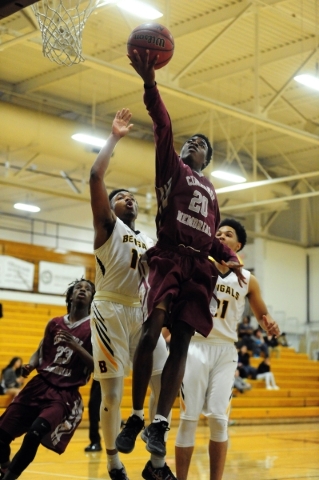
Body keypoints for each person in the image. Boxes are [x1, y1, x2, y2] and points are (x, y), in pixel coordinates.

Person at [116, 51, 245, 474]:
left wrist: (231, 258)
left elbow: (211, 237)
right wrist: (151, 83)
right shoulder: (172, 167)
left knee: (184, 343)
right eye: (193, 141)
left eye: (203, 146)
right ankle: (135, 413)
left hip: (198, 267)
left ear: (208, 160)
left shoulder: (210, 191)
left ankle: (157, 421)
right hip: (168, 258)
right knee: (153, 330)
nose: (195, 144)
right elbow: (163, 125)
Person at [89, 108, 170, 480]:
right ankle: (112, 462)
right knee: (112, 396)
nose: (128, 199)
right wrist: (114, 138)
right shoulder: (107, 226)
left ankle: (155, 463)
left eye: (132, 197)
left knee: (164, 378)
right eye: (121, 196)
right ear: (112, 205)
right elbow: (95, 176)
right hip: (109, 310)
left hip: (141, 314)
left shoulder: (149, 241)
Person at [174, 218, 280, 480]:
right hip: (196, 346)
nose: (221, 236)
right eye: (217, 233)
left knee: (219, 420)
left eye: (228, 234)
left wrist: (270, 324)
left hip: (225, 351)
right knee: (188, 419)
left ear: (239, 244)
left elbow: (262, 315)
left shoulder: (247, 280)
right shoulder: (196, 265)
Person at [0, 279, 95, 480]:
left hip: (63, 394)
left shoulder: (95, 329)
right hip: (39, 385)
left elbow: (97, 366)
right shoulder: (54, 323)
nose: (83, 290)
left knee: (34, 434)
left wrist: (76, 347)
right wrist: (31, 365)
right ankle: (5, 466)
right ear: (70, 296)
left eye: (88, 290)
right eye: (79, 287)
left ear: (92, 299)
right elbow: (41, 350)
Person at [84, 379, 102, 452]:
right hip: (98, 378)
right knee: (93, 407)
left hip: (106, 378)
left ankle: (96, 441)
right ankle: (95, 441)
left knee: (94, 407)